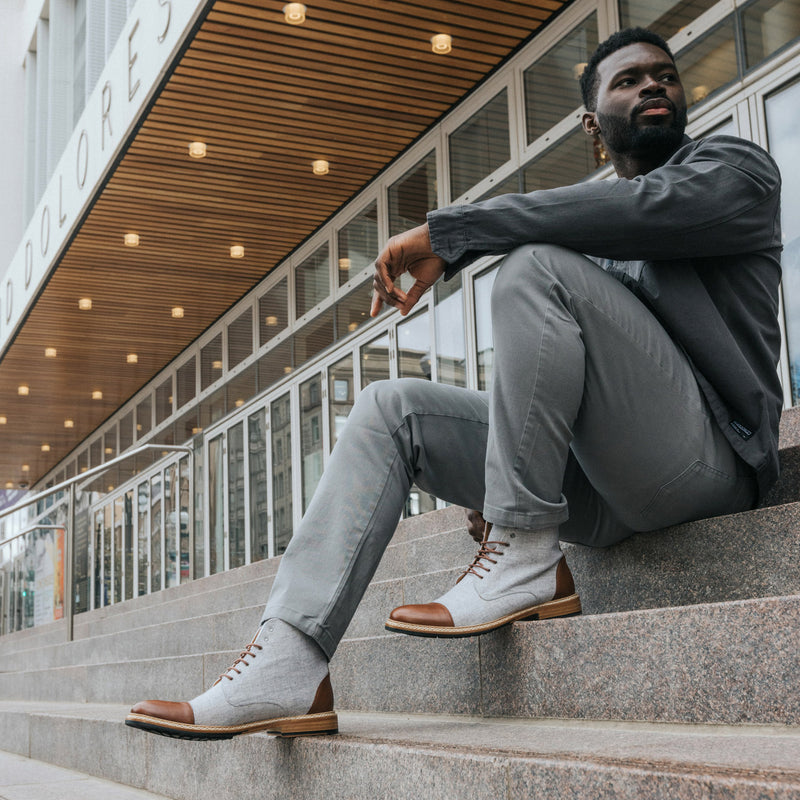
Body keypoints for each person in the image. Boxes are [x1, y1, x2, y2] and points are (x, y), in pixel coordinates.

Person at [125, 27, 782, 741]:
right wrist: (514, 477)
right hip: (610, 493)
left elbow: (640, 214)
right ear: (592, 125)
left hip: (712, 465)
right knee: (389, 406)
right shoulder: (591, 226)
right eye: (628, 81)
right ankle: (287, 662)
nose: (653, 85)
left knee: (533, 264)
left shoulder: (736, 170)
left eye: (664, 76)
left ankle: (524, 550)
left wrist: (456, 230)